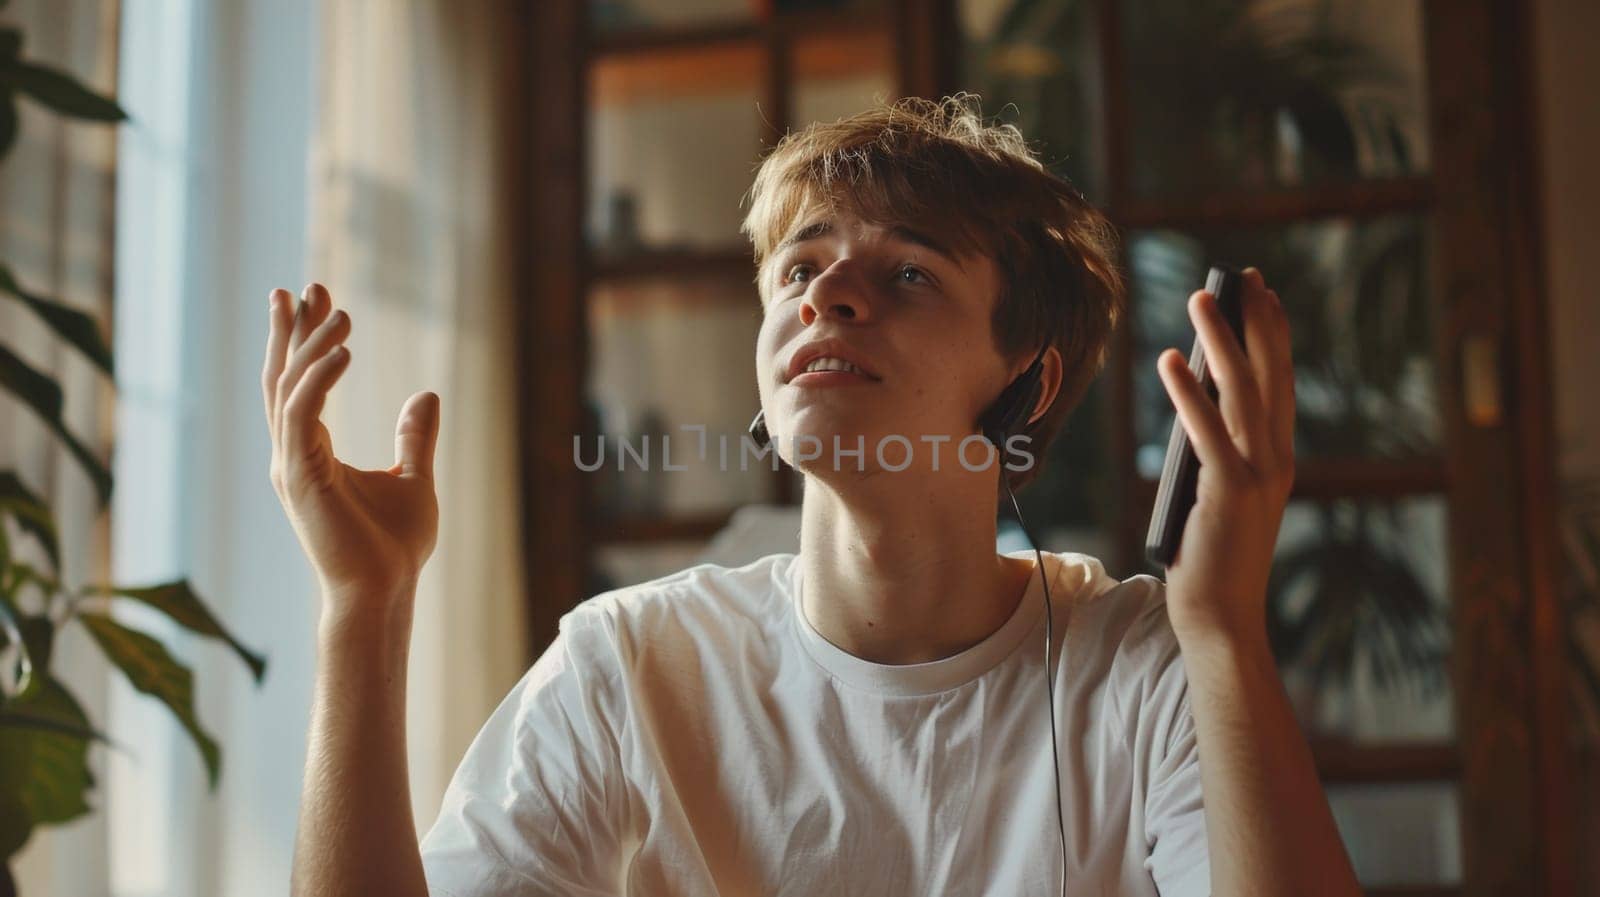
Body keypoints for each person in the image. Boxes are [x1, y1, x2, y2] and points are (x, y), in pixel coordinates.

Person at [267, 94, 1360, 896]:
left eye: (909, 274)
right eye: (798, 269)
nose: (827, 295)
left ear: (1028, 377)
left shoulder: (1146, 669)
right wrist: (364, 608)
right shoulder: (629, 665)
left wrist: (1221, 632)